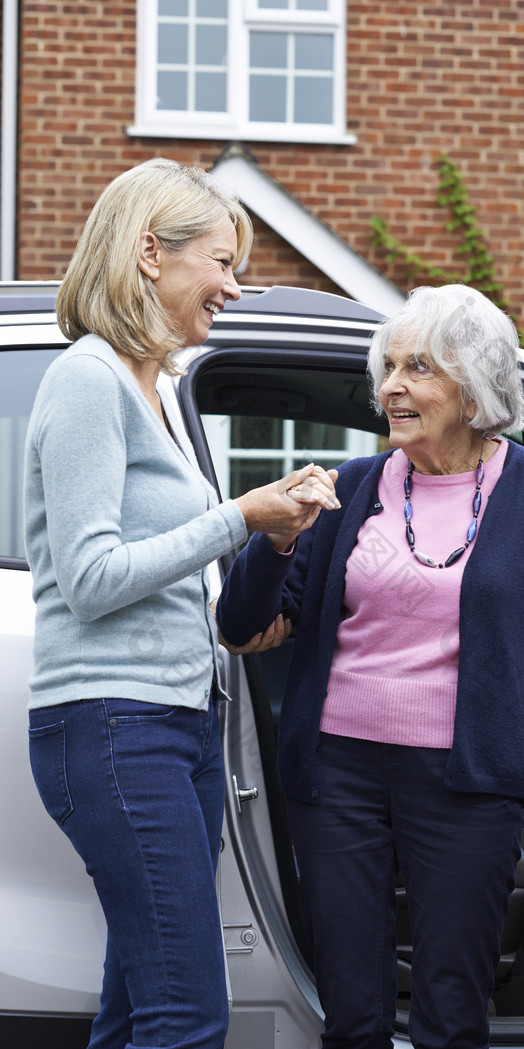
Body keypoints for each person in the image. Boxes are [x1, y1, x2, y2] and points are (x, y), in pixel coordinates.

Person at [215, 283, 524, 1049]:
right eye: (388, 366)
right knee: (352, 1012)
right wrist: (277, 535)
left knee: (453, 1010)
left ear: (474, 381)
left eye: (417, 366)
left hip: (468, 779)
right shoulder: (348, 489)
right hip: (336, 774)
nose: (390, 386)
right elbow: (244, 623)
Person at [24, 158, 339, 1049]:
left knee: (135, 1010)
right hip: (119, 729)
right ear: (151, 254)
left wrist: (257, 570)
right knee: (186, 1016)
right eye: (224, 262)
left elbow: (163, 573)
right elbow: (90, 580)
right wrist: (240, 515)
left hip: (177, 725)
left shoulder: (151, 388)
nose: (235, 287)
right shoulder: (89, 380)